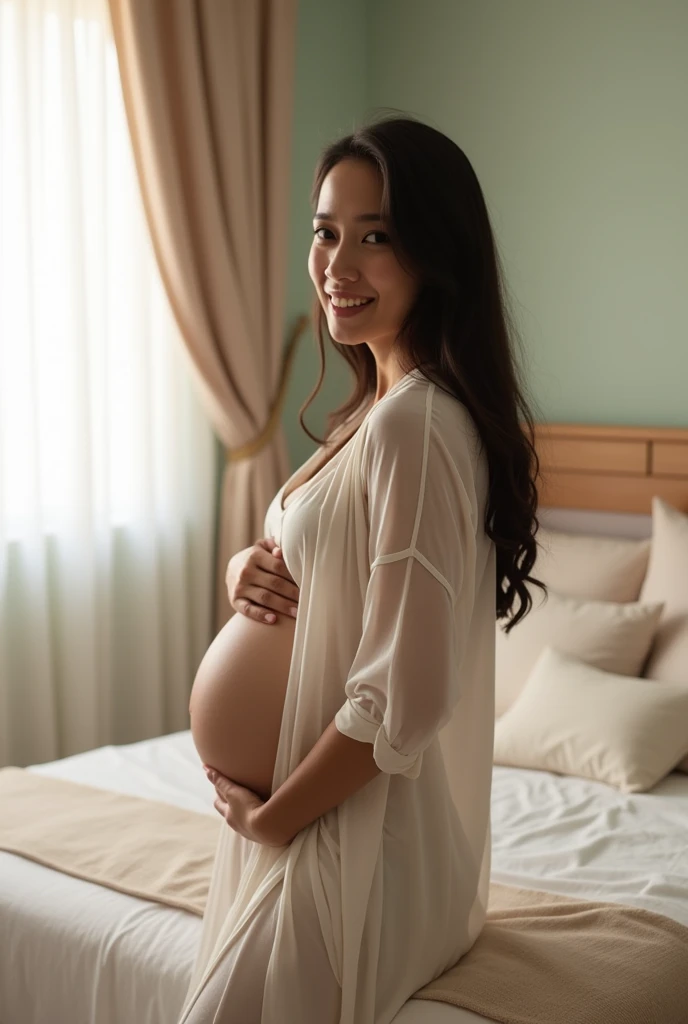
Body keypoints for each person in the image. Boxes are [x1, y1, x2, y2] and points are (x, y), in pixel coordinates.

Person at [178, 113, 545, 1024]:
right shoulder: (374, 411)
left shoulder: (416, 422)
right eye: (326, 231)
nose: (338, 265)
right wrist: (244, 571)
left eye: (376, 237)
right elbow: (334, 563)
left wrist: (274, 819)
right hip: (317, 823)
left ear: (436, 253)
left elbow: (400, 700)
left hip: (349, 841)